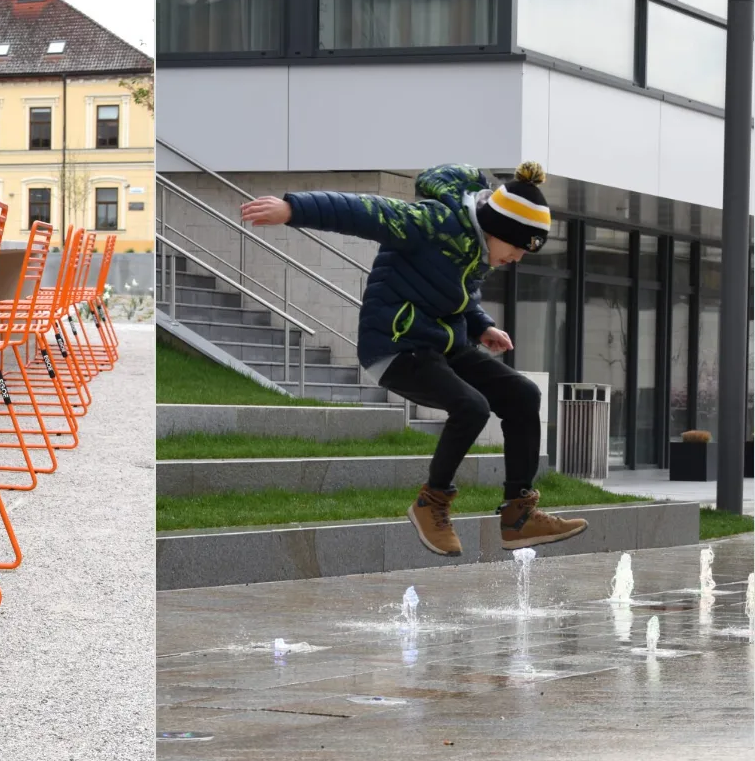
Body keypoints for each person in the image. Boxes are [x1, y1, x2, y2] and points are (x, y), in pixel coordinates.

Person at [241, 162, 587, 558]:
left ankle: (518, 515)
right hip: (395, 346)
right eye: (517, 248)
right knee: (470, 406)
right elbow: (365, 212)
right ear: (498, 230)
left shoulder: (477, 247)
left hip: (441, 345)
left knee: (522, 394)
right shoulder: (430, 222)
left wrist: (480, 326)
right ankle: (432, 502)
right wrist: (293, 209)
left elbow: (456, 292)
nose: (517, 258)